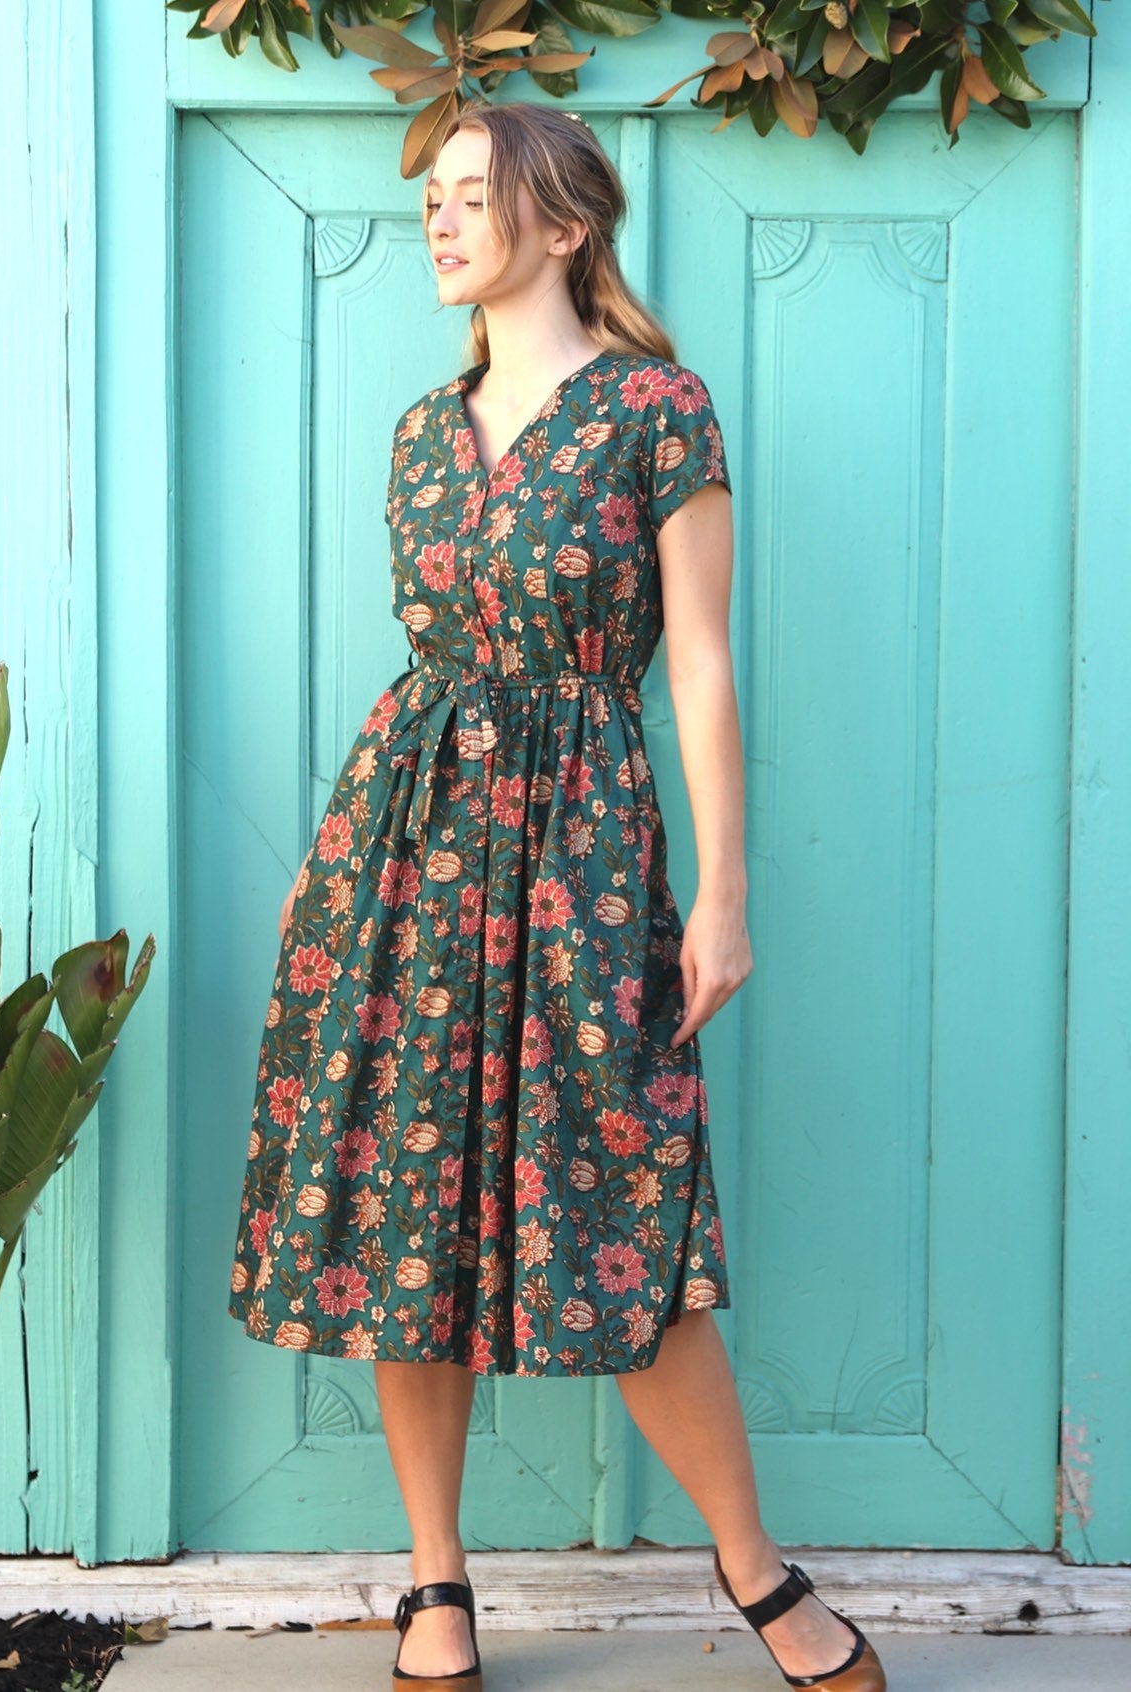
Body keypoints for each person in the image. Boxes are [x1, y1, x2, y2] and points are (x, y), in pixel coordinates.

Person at [226, 98, 886, 1692]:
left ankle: (753, 1567)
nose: (441, 220)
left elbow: (705, 669)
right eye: (435, 196)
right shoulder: (416, 428)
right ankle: (436, 1583)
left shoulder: (659, 410)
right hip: (401, 844)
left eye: (473, 193)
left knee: (624, 1205)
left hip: (585, 855)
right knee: (399, 1202)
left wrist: (722, 893)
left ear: (565, 221)